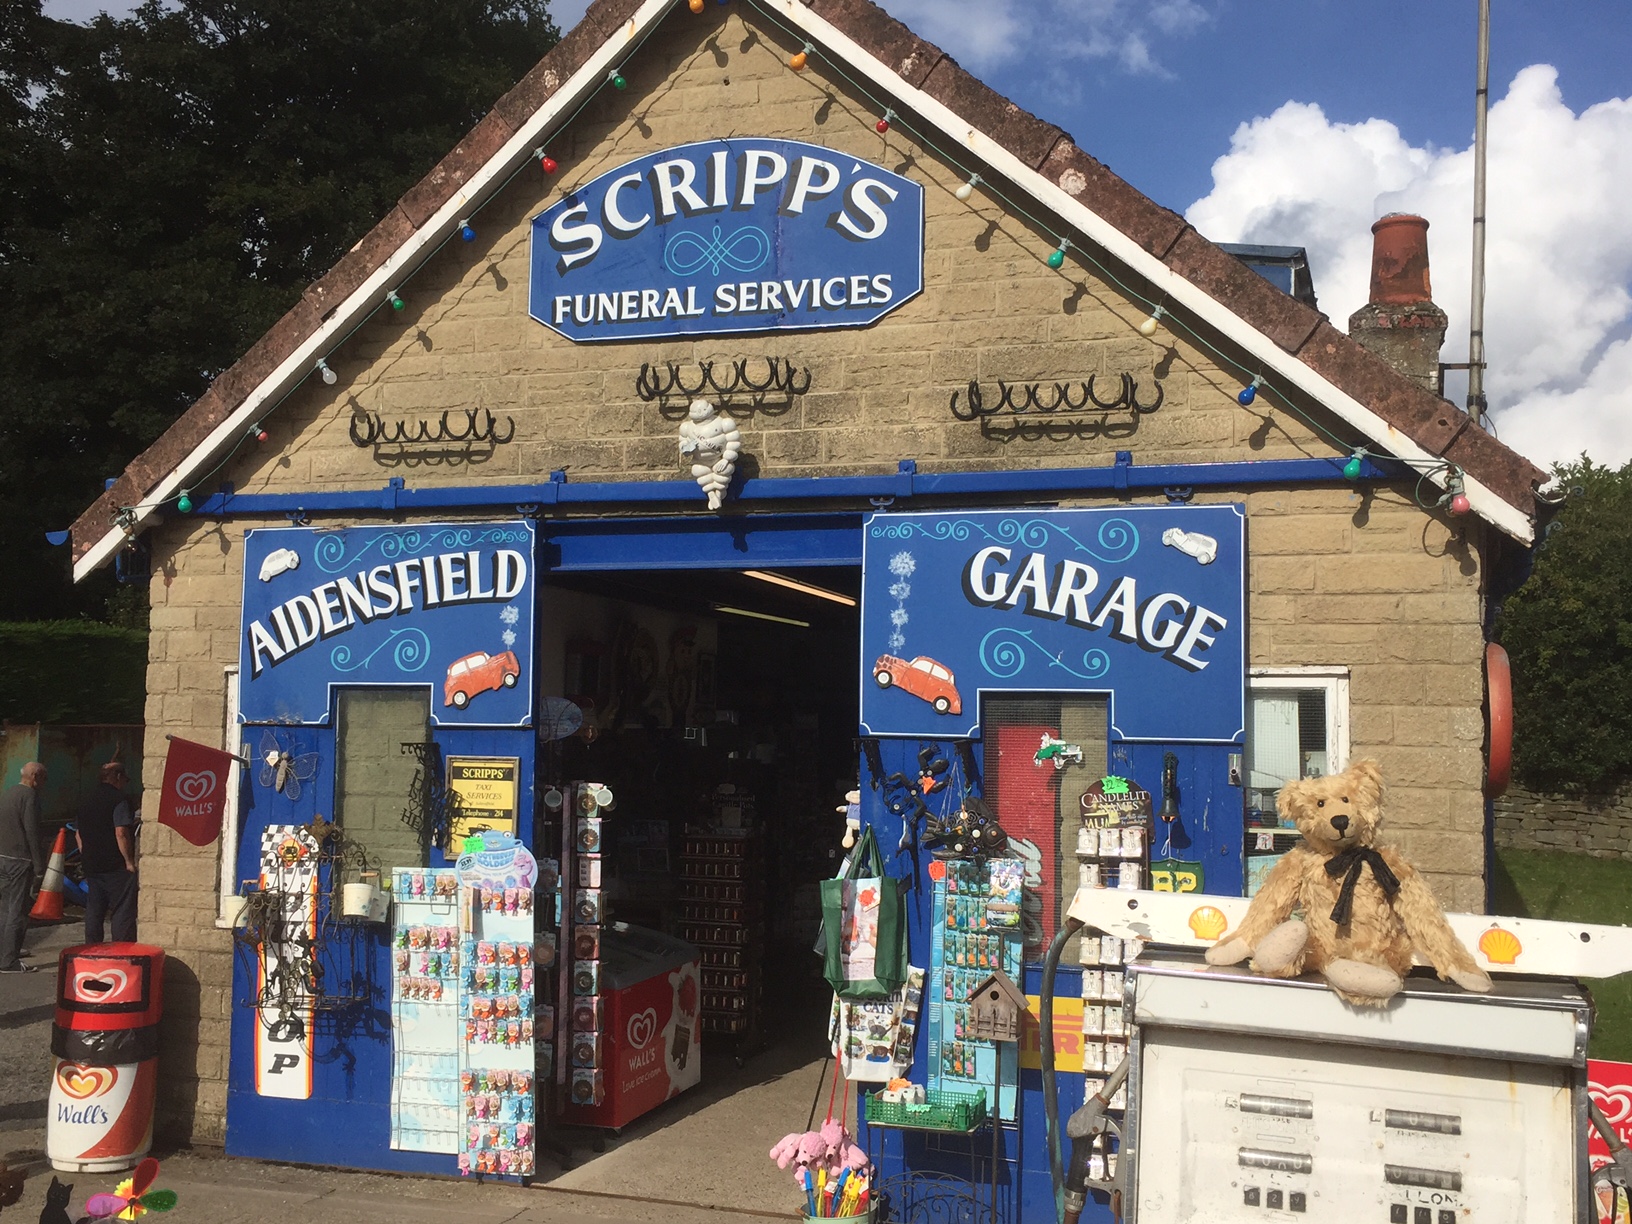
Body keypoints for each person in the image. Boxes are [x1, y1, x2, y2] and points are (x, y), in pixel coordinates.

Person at [78, 761, 138, 944]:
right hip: (115, 865)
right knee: (121, 911)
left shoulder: (86, 798)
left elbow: (78, 833)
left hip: (92, 865)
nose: (124, 784)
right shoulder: (119, 800)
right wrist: (129, 862)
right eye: (124, 780)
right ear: (118, 777)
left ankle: (91, 949)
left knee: (94, 910)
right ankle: (122, 951)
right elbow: (121, 832)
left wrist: (85, 854)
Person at [0, 762, 47, 973]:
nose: (44, 784)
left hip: (3, 857)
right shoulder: (30, 797)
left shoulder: (8, 793)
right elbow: (32, 832)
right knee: (17, 911)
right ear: (35, 776)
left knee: (5, 908)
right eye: (44, 779)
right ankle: (9, 960)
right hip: (20, 860)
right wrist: (39, 866)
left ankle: (5, 952)